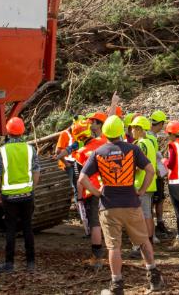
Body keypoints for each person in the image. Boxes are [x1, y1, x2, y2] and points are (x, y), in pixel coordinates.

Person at [78, 115, 165, 295]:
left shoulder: (99, 152)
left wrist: (96, 192)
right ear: (121, 131)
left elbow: (82, 179)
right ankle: (154, 277)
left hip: (109, 206)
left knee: (114, 247)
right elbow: (150, 170)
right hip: (131, 203)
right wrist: (141, 190)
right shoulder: (133, 149)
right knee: (143, 241)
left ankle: (117, 285)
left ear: (105, 132)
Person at [0, 116, 40, 273]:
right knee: (27, 227)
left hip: (9, 196)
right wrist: (32, 189)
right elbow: (36, 171)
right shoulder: (30, 149)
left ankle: (9, 264)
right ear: (22, 131)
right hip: (27, 195)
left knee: (11, 229)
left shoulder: (2, 150)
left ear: (8, 131)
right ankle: (31, 263)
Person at [74, 112, 108, 268]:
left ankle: (97, 257)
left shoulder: (80, 154)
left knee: (95, 223)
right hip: (109, 188)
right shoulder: (103, 142)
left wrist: (79, 198)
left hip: (92, 191)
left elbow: (80, 179)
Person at [128, 116, 159, 252]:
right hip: (150, 183)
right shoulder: (149, 142)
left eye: (133, 128)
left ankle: (143, 244)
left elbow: (140, 167)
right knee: (148, 214)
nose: (131, 131)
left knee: (143, 215)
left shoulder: (141, 144)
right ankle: (149, 241)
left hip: (142, 184)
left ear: (139, 129)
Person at [149, 110, 172, 239]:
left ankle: (159, 224)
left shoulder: (151, 135)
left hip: (154, 173)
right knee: (154, 201)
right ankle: (153, 230)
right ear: (161, 123)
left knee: (158, 200)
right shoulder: (151, 137)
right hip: (154, 175)